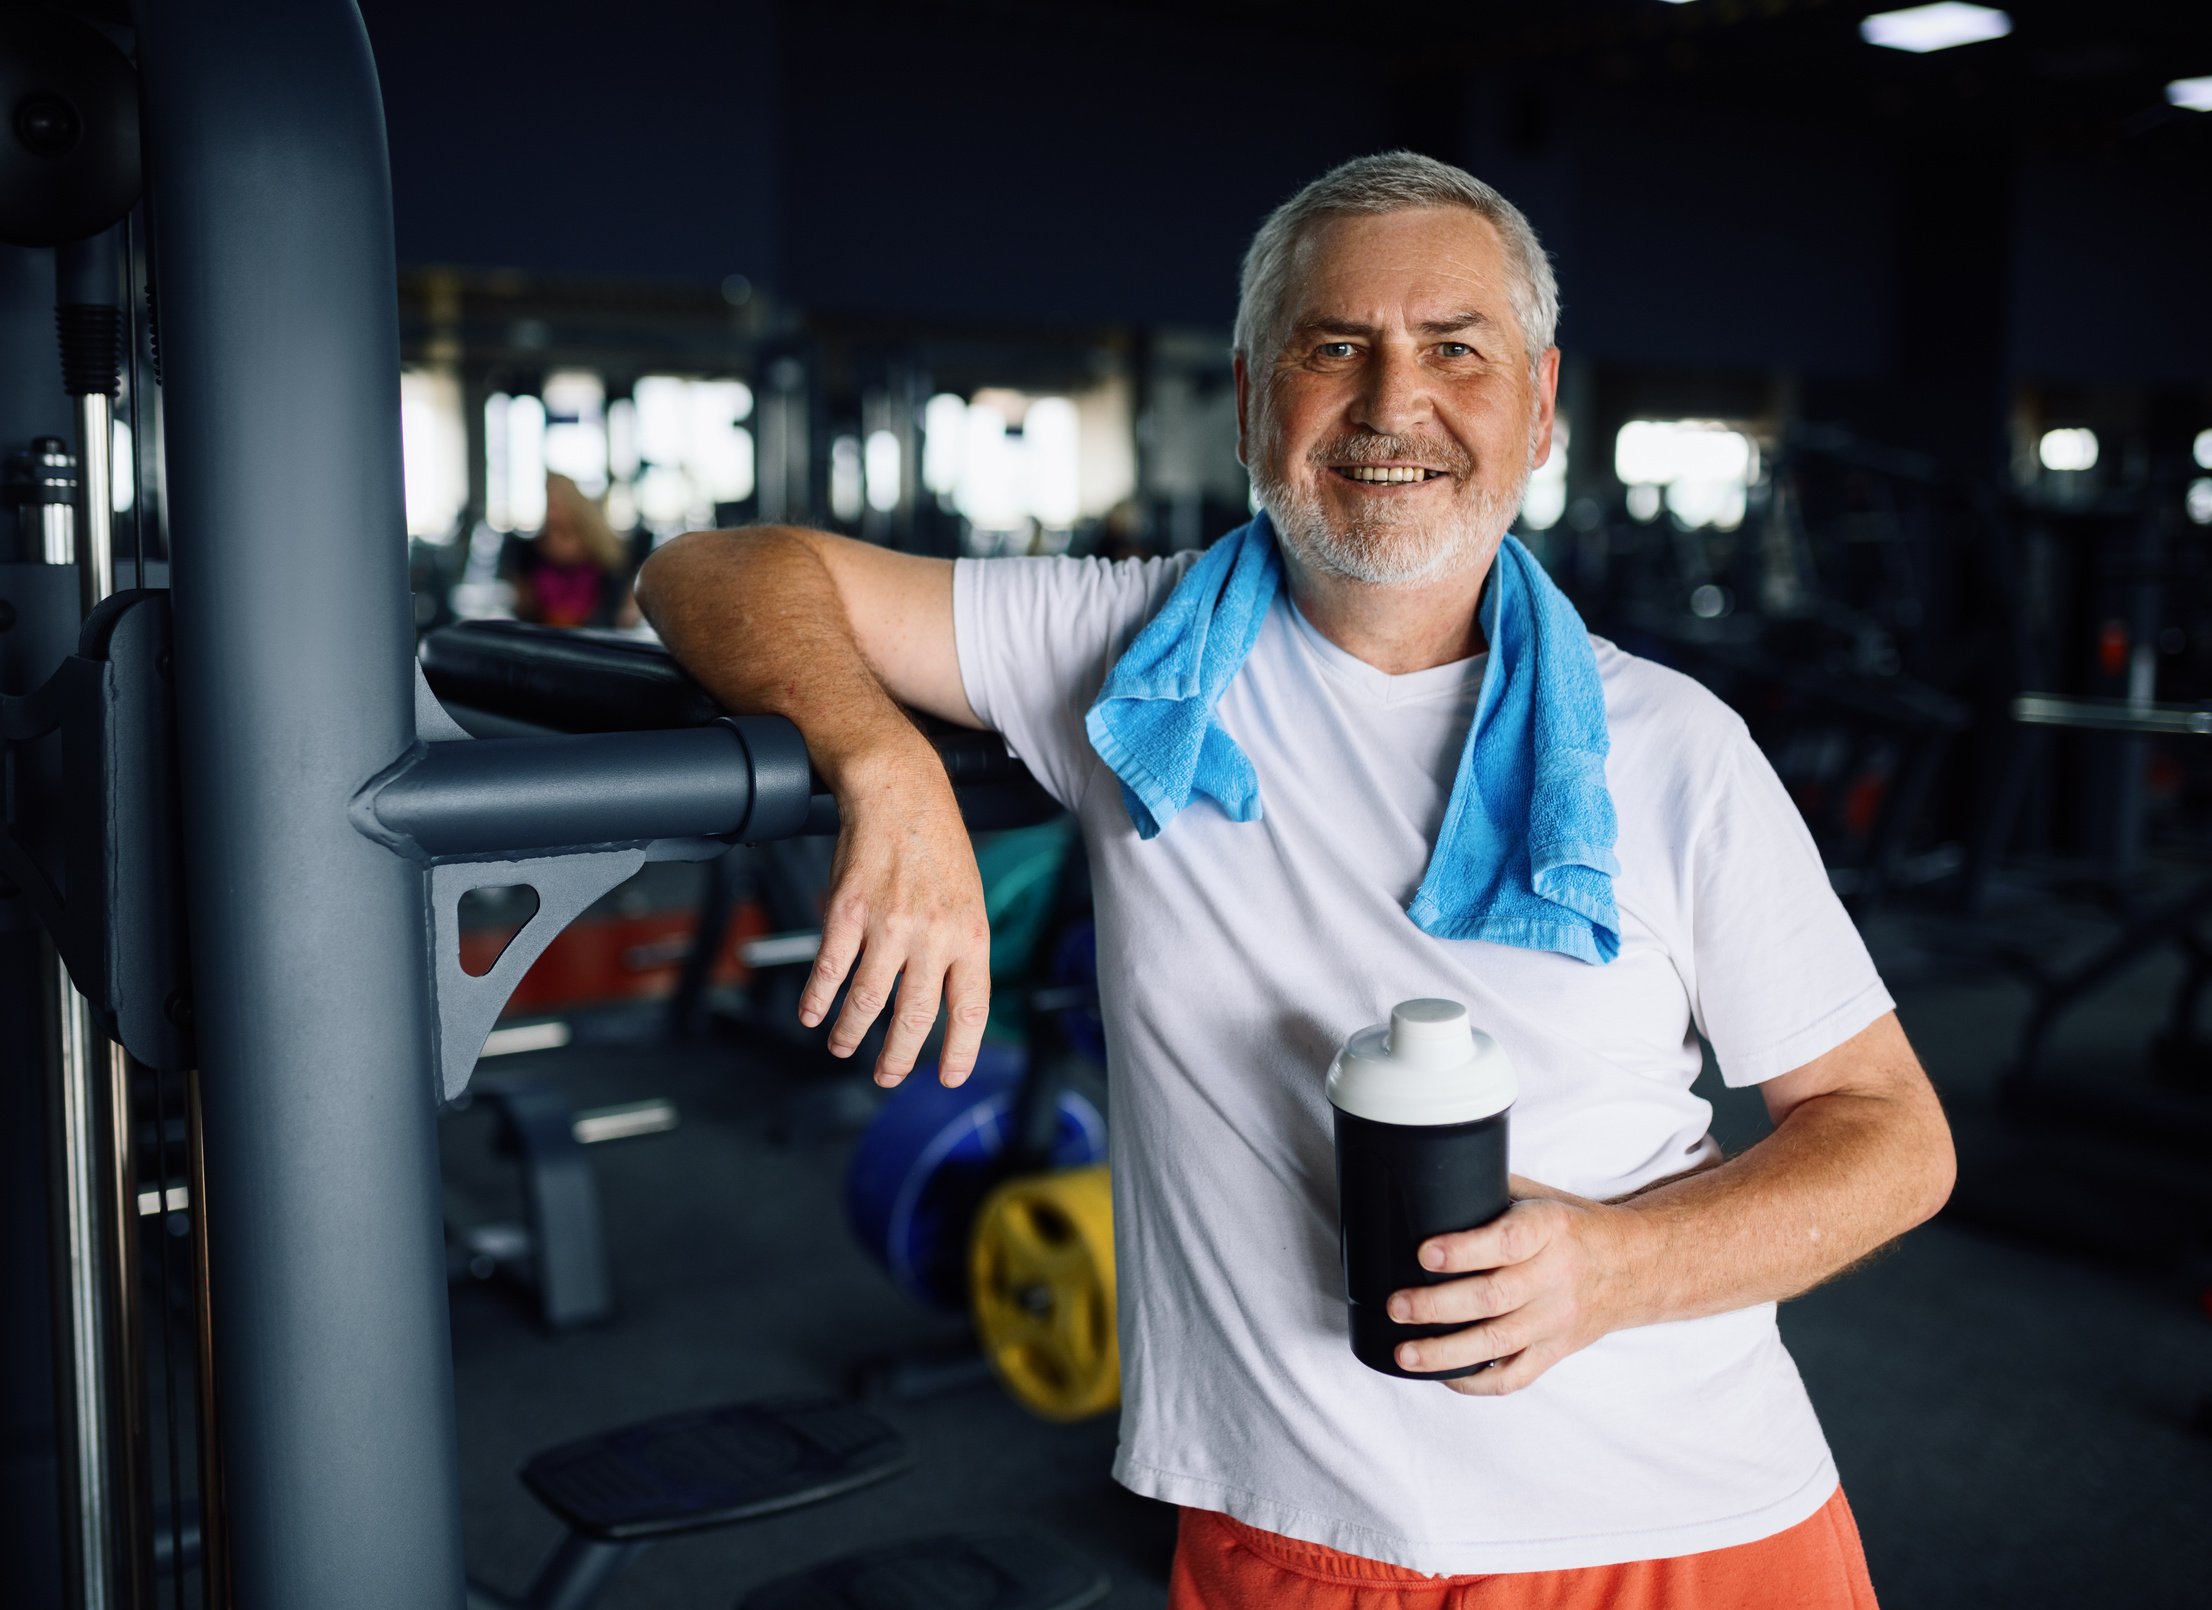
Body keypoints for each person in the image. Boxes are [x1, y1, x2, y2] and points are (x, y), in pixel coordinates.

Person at [635, 151, 1954, 1610]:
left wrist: (1615, 1269)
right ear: (1260, 396)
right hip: (1297, 1541)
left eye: (1456, 347)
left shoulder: (1675, 746)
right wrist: (885, 766)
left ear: (1540, 403)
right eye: (1339, 347)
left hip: (1678, 1525)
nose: (1395, 403)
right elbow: (712, 569)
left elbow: (1894, 1138)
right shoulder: (1121, 650)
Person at [507, 471, 632, 628]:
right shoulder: (528, 549)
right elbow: (522, 605)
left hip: (593, 637)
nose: (551, 511)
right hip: (544, 636)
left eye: (556, 504)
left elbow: (618, 605)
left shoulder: (600, 548)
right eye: (549, 503)